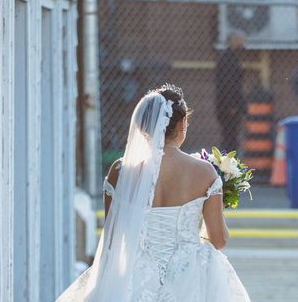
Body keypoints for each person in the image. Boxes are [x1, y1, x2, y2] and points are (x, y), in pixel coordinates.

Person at [57, 84, 250, 301]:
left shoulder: (120, 172)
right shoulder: (204, 171)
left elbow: (113, 237)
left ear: (142, 127)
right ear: (182, 123)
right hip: (189, 276)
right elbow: (218, 240)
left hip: (134, 276)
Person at [215, 32, 246, 151]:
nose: (243, 43)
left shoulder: (231, 57)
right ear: (233, 41)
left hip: (228, 105)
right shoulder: (228, 59)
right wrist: (231, 106)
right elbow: (228, 85)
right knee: (229, 138)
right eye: (240, 40)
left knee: (230, 137)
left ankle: (229, 162)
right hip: (228, 106)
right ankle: (227, 163)